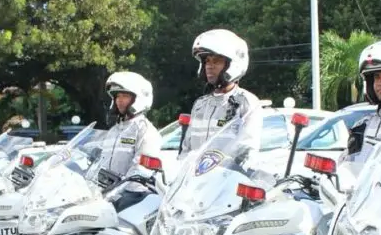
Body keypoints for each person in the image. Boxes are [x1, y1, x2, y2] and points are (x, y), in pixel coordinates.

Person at [179, 29, 262, 158]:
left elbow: (247, 151)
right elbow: (186, 149)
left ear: (232, 65)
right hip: (194, 178)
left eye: (216, 61)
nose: (209, 66)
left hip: (226, 177)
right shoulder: (200, 104)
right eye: (207, 61)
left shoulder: (247, 103)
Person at [90, 71, 161, 183]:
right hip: (106, 194)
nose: (119, 100)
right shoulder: (114, 130)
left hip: (131, 196)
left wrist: (120, 190)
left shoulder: (145, 131)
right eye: (117, 96)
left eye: (125, 96)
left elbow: (141, 172)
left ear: (139, 98)